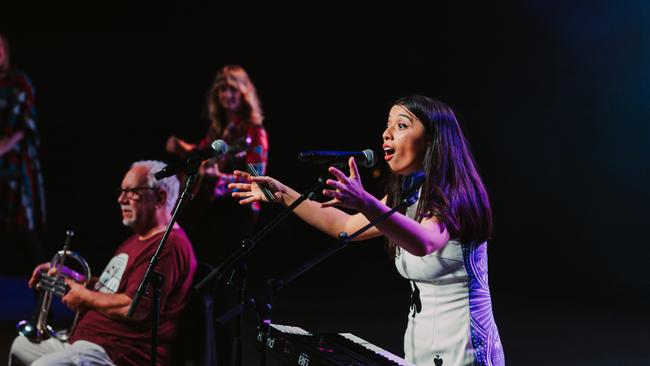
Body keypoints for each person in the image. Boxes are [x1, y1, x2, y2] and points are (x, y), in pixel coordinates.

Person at [229, 95, 505, 366]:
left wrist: (366, 202)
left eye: (401, 125)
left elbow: (426, 242)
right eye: (388, 124)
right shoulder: (407, 196)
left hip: (466, 348)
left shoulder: (455, 192)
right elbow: (344, 227)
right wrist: (283, 195)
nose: (386, 134)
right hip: (420, 344)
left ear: (433, 140)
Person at [9, 160, 197, 366]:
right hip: (88, 342)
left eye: (132, 191)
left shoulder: (170, 245)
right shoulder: (138, 238)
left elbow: (134, 308)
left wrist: (84, 295)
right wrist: (71, 277)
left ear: (160, 197)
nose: (121, 199)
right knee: (20, 346)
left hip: (119, 353)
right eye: (121, 191)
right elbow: (112, 289)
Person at [165, 65, 268, 365]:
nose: (226, 95)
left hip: (235, 217)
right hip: (210, 217)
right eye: (222, 90)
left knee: (224, 297)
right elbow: (199, 157)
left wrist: (216, 178)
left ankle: (222, 359)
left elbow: (256, 180)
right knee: (197, 291)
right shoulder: (218, 130)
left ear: (244, 94)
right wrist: (181, 148)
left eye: (233, 90)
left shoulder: (253, 132)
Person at [0, 33, 47, 273]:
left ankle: (45, 302)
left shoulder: (18, 82)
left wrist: (2, 148)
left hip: (16, 169)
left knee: (25, 234)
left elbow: (22, 127)